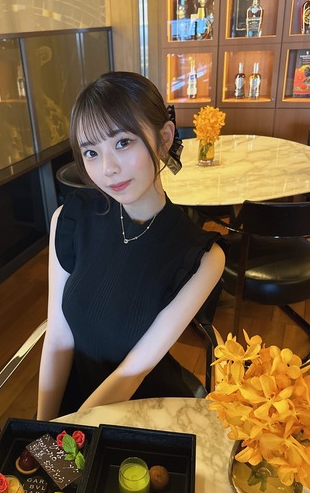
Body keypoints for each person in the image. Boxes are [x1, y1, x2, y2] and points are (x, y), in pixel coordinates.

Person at [37, 71, 225, 420]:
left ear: (164, 138)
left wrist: (66, 440)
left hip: (143, 412)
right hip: (75, 406)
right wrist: (42, 430)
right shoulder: (70, 219)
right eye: (91, 152)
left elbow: (132, 372)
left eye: (123, 142)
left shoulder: (202, 257)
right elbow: (59, 338)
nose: (107, 168)